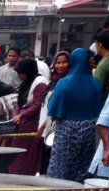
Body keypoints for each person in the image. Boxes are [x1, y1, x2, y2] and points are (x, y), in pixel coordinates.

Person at [45, 48, 102, 181]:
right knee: (83, 164)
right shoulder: (95, 83)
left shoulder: (64, 83)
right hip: (88, 128)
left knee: (61, 163)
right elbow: (98, 108)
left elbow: (52, 108)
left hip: (66, 128)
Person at [9, 59, 48, 174]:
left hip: (33, 123)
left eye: (21, 73)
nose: (19, 76)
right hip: (22, 122)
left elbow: (38, 105)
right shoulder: (25, 83)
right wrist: (17, 114)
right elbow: (19, 103)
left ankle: (25, 173)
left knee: (28, 152)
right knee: (17, 149)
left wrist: (22, 114)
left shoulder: (40, 83)